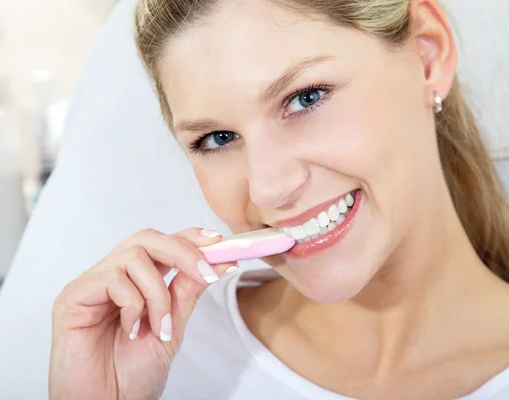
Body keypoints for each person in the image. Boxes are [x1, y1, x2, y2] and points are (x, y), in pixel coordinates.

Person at [48, 0, 509, 398]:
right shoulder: (161, 352)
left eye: (306, 98)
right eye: (218, 137)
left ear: (427, 56)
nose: (267, 188)